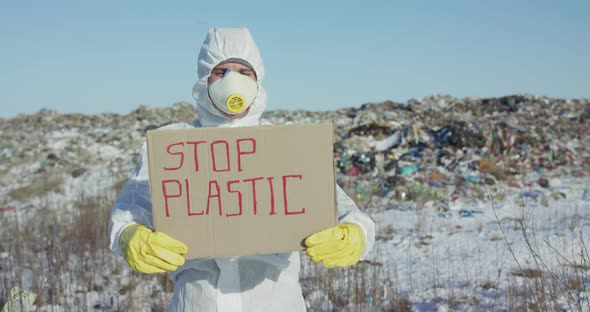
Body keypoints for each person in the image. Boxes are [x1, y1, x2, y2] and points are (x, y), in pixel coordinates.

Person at [108, 27, 375, 312]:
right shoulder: (173, 147)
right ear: (204, 79)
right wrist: (129, 236)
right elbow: (128, 212)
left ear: (258, 78)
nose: (231, 80)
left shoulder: (286, 146)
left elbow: (347, 211)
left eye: (243, 72)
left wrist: (354, 234)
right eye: (220, 71)